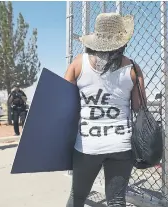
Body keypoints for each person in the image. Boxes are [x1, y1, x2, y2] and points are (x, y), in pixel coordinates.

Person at [64, 13, 146, 207]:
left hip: (87, 144)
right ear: (122, 41)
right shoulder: (133, 68)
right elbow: (138, 106)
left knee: (77, 197)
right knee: (117, 200)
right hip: (121, 144)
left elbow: (64, 102)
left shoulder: (78, 62)